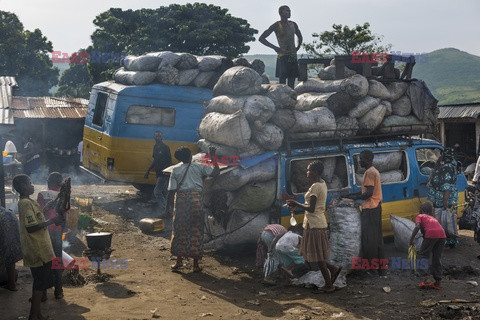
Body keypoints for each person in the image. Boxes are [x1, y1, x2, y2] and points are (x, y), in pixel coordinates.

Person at [13, 174, 64, 320]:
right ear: (23, 186)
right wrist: (52, 220)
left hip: (41, 247)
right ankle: (33, 315)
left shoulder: (28, 201)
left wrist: (45, 209)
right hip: (38, 249)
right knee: (40, 282)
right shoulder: (26, 204)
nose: (32, 185)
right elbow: (31, 227)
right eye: (29, 183)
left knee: (40, 281)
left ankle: (38, 314)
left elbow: (35, 218)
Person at [287, 160, 341, 293]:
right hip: (316, 222)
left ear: (315, 172)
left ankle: (329, 285)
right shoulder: (322, 184)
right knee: (317, 256)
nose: (307, 173)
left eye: (308, 170)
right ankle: (332, 270)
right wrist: (297, 206)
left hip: (315, 224)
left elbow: (311, 208)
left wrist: (296, 203)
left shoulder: (316, 186)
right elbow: (313, 207)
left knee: (318, 257)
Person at [166, 146, 219, 273]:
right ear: (190, 156)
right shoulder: (198, 167)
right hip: (196, 202)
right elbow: (216, 172)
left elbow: (171, 191)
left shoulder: (176, 170)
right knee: (196, 231)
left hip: (182, 203)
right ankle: (195, 265)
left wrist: (167, 208)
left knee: (179, 230)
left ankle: (179, 262)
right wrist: (212, 156)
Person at [345, 150, 385, 276]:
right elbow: (365, 191)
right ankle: (381, 270)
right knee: (377, 240)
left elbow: (368, 193)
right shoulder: (373, 171)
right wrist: (350, 196)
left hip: (370, 209)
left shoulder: (369, 173)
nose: (360, 161)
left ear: (368, 159)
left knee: (369, 241)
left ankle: (372, 269)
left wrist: (353, 198)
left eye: (361, 159)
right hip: (375, 207)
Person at [37, 172, 66, 299]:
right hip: (57, 231)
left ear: (48, 182)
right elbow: (65, 216)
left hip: (44, 231)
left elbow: (39, 213)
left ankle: (42, 293)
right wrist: (63, 229)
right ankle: (58, 291)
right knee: (57, 260)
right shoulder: (64, 196)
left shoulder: (42, 194)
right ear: (60, 184)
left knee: (44, 261)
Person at [259, 5, 303, 89]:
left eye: (289, 11)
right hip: (282, 56)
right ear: (281, 13)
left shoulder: (293, 24)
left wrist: (298, 47)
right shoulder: (276, 25)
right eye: (287, 11)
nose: (289, 12)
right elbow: (262, 38)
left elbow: (300, 36)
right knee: (282, 80)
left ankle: (291, 97)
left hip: (292, 55)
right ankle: (282, 98)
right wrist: (275, 47)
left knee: (292, 79)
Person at [409, 201, 445, 290]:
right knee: (437, 258)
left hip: (431, 234)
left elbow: (417, 226)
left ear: (421, 210)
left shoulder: (420, 216)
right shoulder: (433, 218)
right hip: (442, 235)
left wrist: (411, 239)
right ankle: (438, 282)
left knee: (423, 255)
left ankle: (426, 278)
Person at [427, 148, 459, 247]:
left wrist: (445, 201)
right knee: (447, 220)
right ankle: (448, 241)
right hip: (445, 200)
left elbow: (447, 186)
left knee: (442, 220)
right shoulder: (449, 166)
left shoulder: (445, 167)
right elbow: (447, 185)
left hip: (442, 200)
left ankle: (444, 241)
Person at [144, 131, 172, 216]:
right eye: (156, 136)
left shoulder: (165, 147)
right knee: (164, 192)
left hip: (164, 173)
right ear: (154, 137)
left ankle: (165, 210)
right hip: (158, 172)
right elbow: (155, 160)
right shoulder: (155, 147)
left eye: (159, 136)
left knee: (157, 192)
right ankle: (169, 210)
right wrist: (148, 171)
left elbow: (169, 161)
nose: (158, 138)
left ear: (162, 137)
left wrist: (167, 173)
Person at [0, 206, 23, 291]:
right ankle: (12, 284)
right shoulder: (8, 212)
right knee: (10, 256)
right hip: (12, 240)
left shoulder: (24, 203)